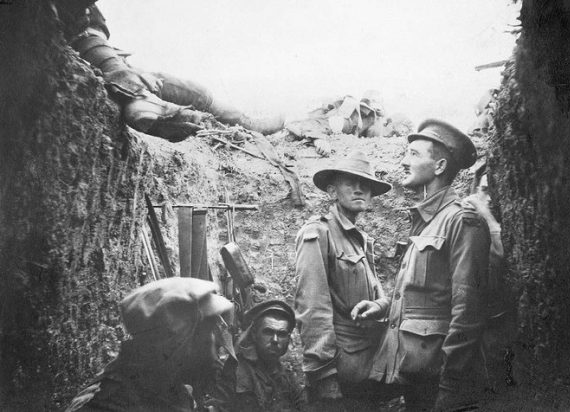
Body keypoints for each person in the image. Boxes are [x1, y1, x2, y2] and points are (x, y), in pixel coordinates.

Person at [352, 119, 491, 411]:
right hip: (416, 375)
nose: (404, 161)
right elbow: (425, 296)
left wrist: (452, 385)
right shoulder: (426, 220)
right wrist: (382, 306)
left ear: (439, 166)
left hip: (440, 380)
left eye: (414, 154)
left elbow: (468, 309)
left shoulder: (461, 220)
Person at [57, 1, 284, 142]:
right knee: (193, 92)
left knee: (188, 89)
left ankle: (244, 122)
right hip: (80, 54)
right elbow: (78, 29)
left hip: (99, 57)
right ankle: (138, 98)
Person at [294, 151, 391, 405]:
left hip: (367, 368)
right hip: (339, 371)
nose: (359, 189)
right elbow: (312, 306)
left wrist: (381, 305)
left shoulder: (360, 240)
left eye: (365, 184)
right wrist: (323, 373)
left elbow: (374, 296)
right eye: (350, 182)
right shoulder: (317, 232)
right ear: (332, 192)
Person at [65, 277, 233, 412]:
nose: (216, 347)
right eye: (208, 333)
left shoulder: (168, 389)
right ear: (176, 342)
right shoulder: (105, 404)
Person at [463, 162, 515, 390]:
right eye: (484, 190)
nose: (490, 197)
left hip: (497, 318)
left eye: (494, 191)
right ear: (476, 189)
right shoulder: (466, 217)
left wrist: (487, 215)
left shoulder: (496, 219)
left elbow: (499, 255)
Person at [208, 300, 304, 412]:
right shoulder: (235, 370)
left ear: (288, 339)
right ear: (254, 334)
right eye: (268, 332)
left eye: (281, 334)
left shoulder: (287, 378)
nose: (275, 340)